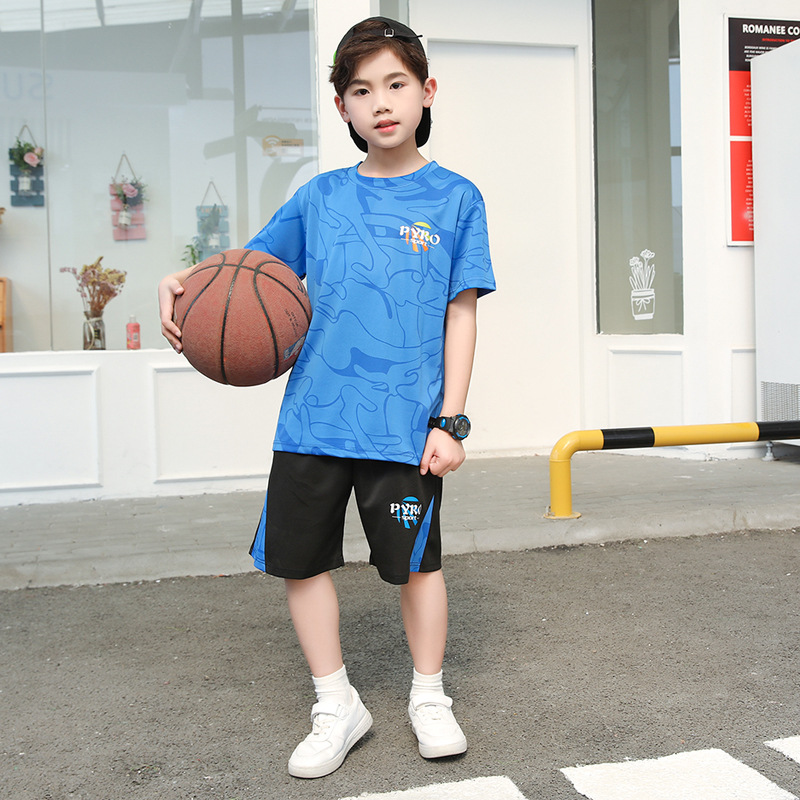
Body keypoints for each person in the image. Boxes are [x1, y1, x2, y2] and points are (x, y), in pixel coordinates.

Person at [158, 16, 495, 780]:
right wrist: (180, 279)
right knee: (299, 562)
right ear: (342, 106)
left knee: (417, 565)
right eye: (362, 90)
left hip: (404, 428)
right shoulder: (319, 198)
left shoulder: (456, 200)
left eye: (396, 84)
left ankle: (430, 696)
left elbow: (462, 314)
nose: (382, 103)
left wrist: (451, 421)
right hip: (312, 421)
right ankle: (336, 702)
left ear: (427, 91)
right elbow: (244, 273)